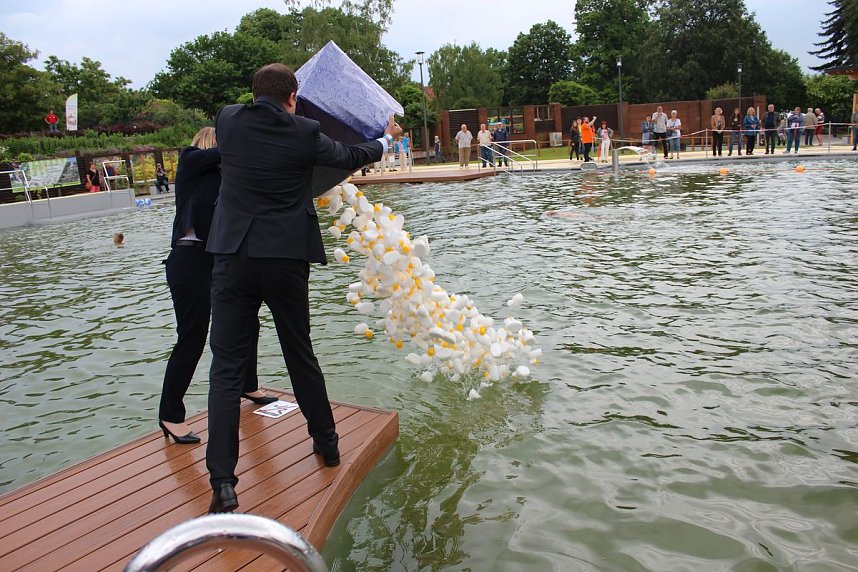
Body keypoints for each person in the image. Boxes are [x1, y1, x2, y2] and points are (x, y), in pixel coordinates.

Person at [204, 62, 400, 514]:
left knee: (226, 370)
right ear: (293, 97)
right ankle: (328, 445)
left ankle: (223, 485)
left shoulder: (228, 120)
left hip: (232, 258)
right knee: (299, 352)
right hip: (286, 257)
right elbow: (353, 157)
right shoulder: (304, 131)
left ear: (254, 94)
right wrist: (385, 137)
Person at [159, 126, 276, 447]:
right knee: (192, 338)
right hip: (188, 264)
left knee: (247, 321)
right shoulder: (191, 160)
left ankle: (247, 384)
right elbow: (226, 153)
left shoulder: (227, 179)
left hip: (220, 262)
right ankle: (170, 413)